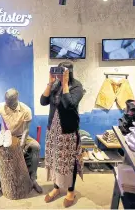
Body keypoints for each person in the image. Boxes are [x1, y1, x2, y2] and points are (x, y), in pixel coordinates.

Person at [0, 88, 43, 198]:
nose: (7, 104)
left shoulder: (26, 110)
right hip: (5, 135)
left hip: (21, 135)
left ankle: (33, 179)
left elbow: (26, 130)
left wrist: (21, 145)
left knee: (36, 147)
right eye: (6, 101)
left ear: (16, 99)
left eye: (10, 102)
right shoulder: (0, 106)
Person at [40, 61, 84, 208]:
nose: (58, 75)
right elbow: (43, 101)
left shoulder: (77, 86)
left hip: (68, 131)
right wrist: (50, 82)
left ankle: (71, 191)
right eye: (57, 71)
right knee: (55, 160)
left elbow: (69, 104)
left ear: (69, 72)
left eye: (62, 72)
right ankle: (57, 187)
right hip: (53, 130)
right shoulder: (54, 85)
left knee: (69, 162)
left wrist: (65, 84)